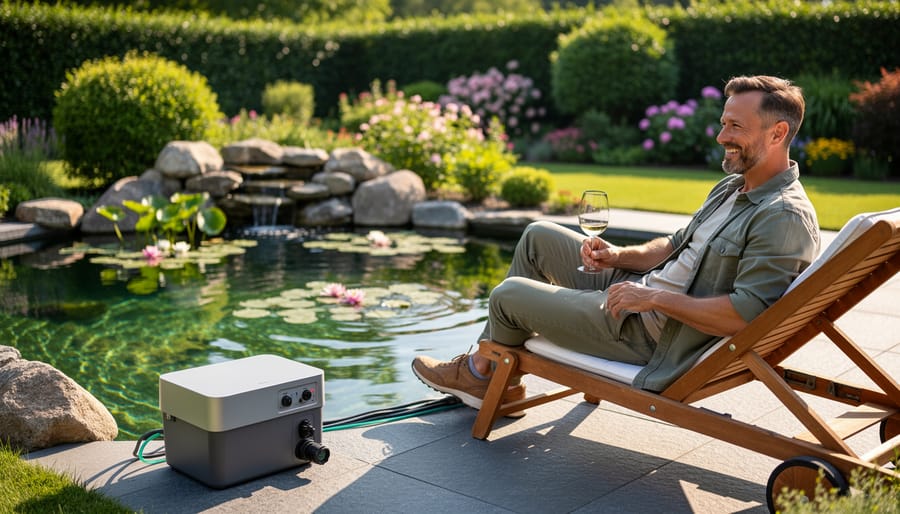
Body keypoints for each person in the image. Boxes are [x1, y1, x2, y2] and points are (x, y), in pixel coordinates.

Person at [412, 75, 821, 411]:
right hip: (641, 298)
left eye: (735, 127)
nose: (720, 136)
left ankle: (483, 372)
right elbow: (676, 244)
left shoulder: (781, 217)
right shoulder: (734, 186)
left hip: (651, 336)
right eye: (723, 123)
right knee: (538, 235)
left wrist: (652, 300)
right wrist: (619, 256)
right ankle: (492, 372)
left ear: (778, 132)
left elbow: (744, 317)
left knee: (508, 296)